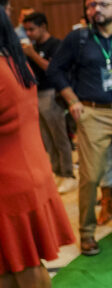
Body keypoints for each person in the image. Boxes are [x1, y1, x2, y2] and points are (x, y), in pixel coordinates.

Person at [0, 9, 76, 288]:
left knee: (24, 258)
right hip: (26, 170)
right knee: (9, 258)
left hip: (10, 178)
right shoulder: (15, 61)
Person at [47, 0, 112, 255]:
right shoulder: (78, 39)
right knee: (90, 176)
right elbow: (55, 70)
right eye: (91, 5)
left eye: (103, 4)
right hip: (92, 113)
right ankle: (86, 234)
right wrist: (72, 100)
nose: (96, 9)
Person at [21, 11, 76, 193]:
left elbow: (52, 69)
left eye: (32, 29)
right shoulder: (33, 46)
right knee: (46, 138)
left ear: (43, 27)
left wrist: (32, 54)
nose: (28, 34)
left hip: (52, 94)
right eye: (26, 30)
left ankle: (68, 174)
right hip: (36, 94)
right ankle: (57, 172)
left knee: (59, 137)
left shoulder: (56, 45)